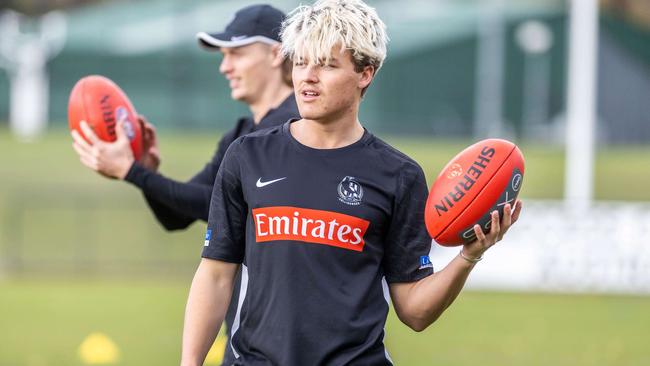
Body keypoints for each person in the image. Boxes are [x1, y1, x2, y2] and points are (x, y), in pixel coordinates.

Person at [181, 0, 522, 365]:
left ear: (365, 74)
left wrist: (469, 256)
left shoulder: (398, 175)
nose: (308, 76)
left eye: (326, 65)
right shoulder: (247, 156)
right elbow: (216, 275)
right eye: (300, 63)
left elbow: (415, 311)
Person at [70, 4, 299, 366]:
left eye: (236, 54)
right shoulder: (239, 136)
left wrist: (133, 172)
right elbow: (177, 217)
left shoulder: (296, 130)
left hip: (291, 336)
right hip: (250, 336)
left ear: (276, 53)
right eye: (223, 56)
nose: (225, 67)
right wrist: (145, 172)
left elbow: (218, 204)